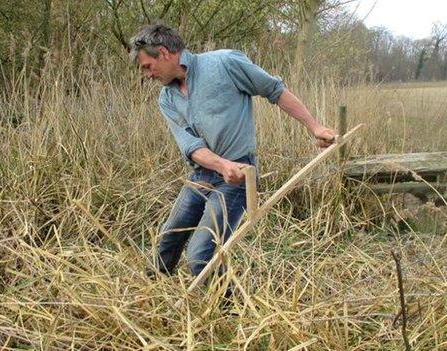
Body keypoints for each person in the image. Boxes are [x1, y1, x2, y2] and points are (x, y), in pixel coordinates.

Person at [129, 24, 335, 292]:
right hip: (203, 173)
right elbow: (191, 145)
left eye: (147, 66)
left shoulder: (224, 63)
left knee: (201, 254)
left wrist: (315, 127)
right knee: (170, 236)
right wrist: (220, 165)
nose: (147, 75)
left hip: (238, 177)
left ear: (165, 53)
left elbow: (274, 90)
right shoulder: (166, 98)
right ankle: (155, 292)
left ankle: (229, 309)